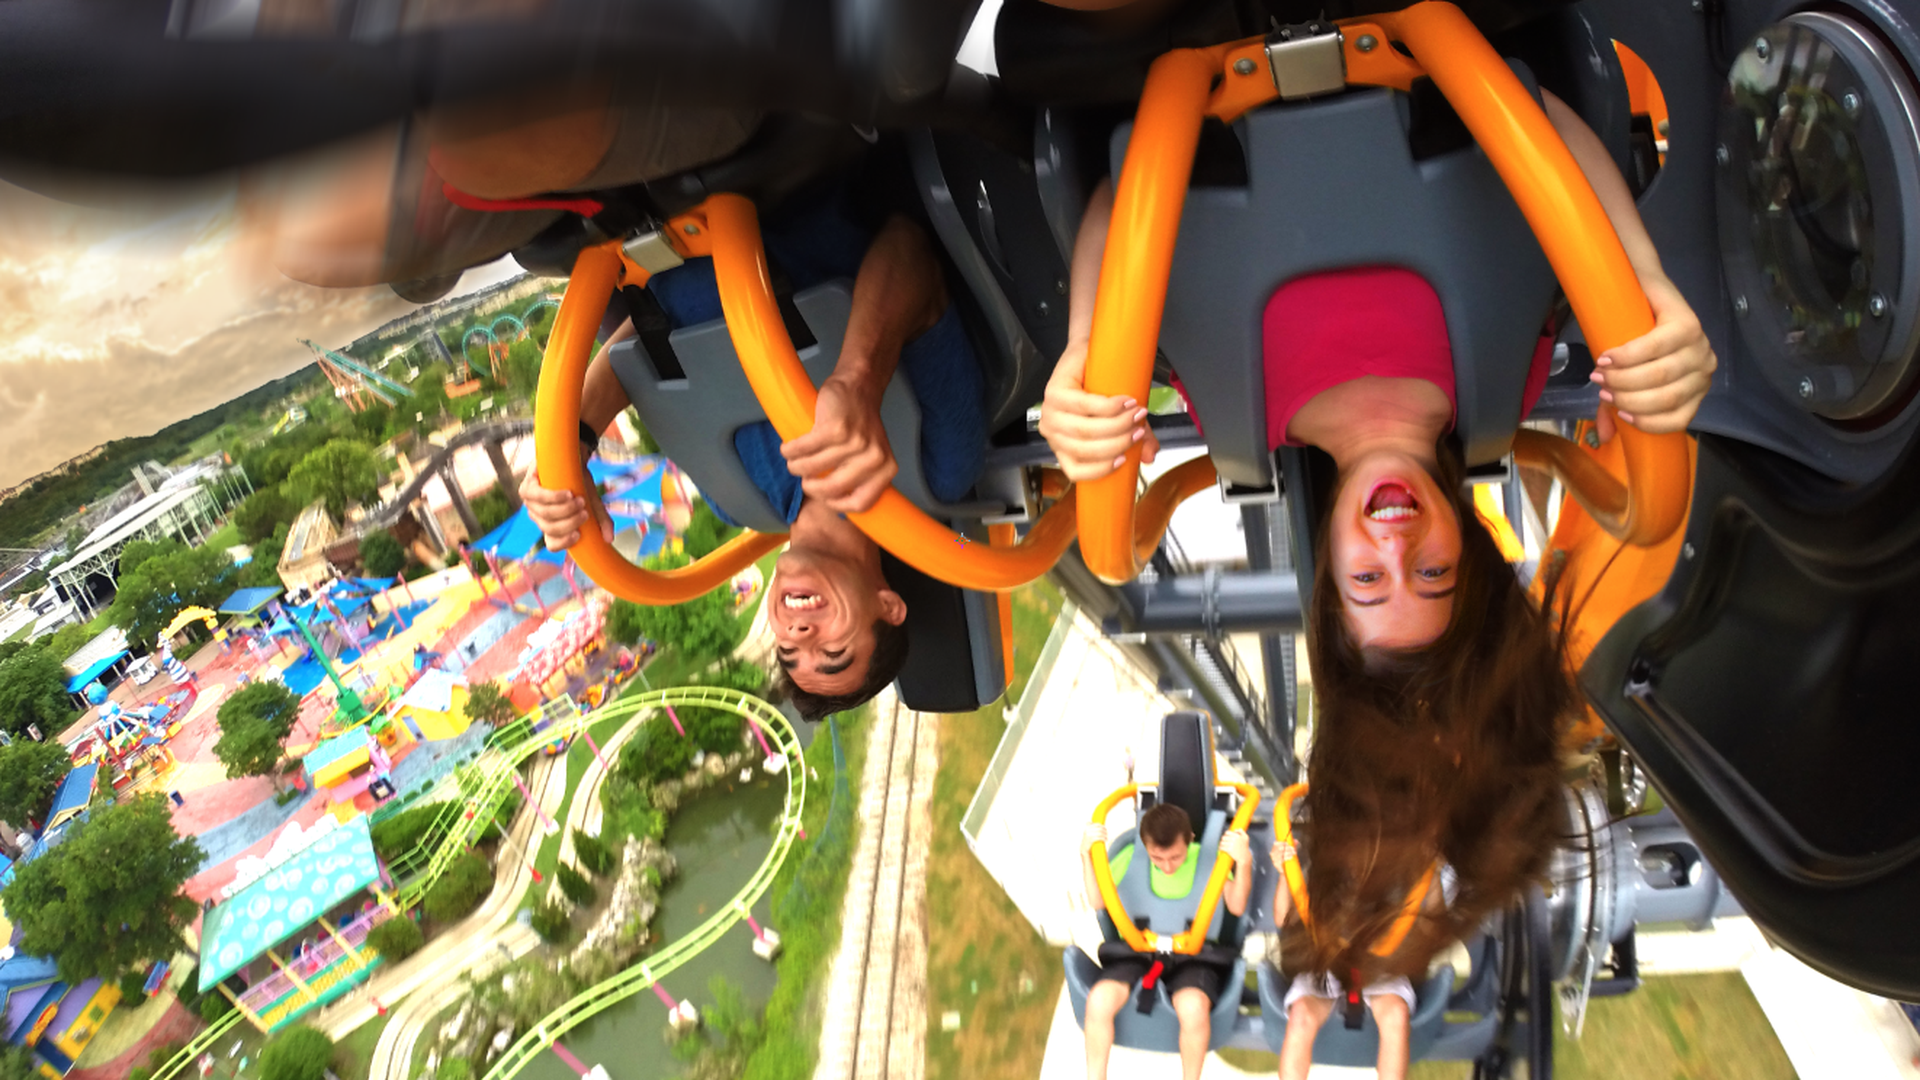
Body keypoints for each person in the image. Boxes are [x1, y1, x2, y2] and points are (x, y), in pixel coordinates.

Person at [1041, 91, 1715, 981]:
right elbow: (1540, 114)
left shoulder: (1231, 400)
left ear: (1325, 588)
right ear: (1473, 547)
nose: (1395, 548)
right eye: (1434, 572)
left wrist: (1084, 351)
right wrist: (1648, 283)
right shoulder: (1507, 364)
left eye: (1368, 585)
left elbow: (1124, 194)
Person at [523, 165, 986, 720]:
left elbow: (653, 350)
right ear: (887, 606)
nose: (798, 632)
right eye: (831, 651)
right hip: (774, 173)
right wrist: (859, 380)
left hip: (631, 206)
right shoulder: (936, 469)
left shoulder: (738, 496)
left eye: (789, 650)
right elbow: (911, 254)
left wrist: (569, 448)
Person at [1078, 803, 1253, 1080]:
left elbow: (1237, 904)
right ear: (1145, 845)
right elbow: (1098, 900)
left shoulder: (1209, 860)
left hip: (1194, 955)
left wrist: (1243, 862)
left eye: (1175, 857)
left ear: (1190, 840)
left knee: (1193, 1007)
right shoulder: (1130, 858)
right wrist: (1086, 856)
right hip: (1136, 950)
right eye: (1157, 858)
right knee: (1099, 1000)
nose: (1167, 866)